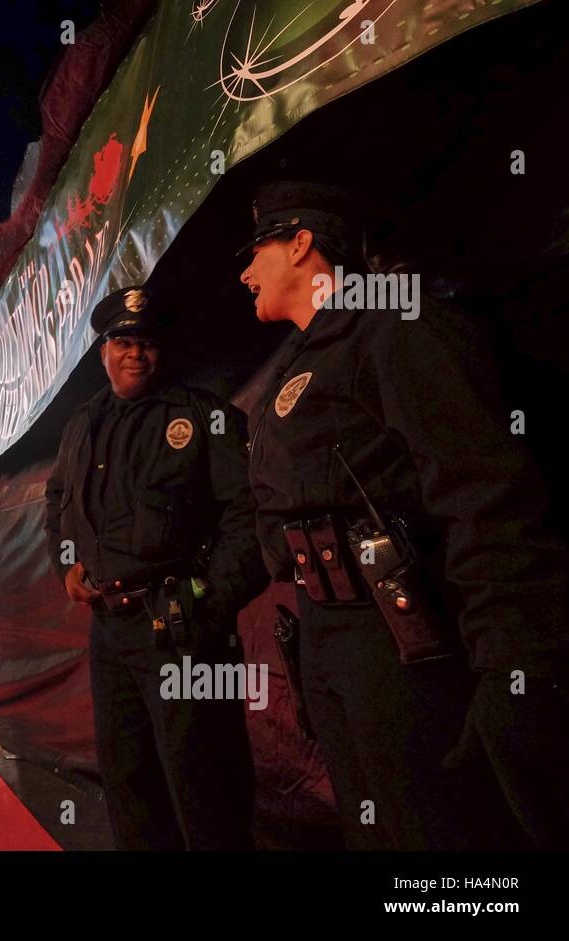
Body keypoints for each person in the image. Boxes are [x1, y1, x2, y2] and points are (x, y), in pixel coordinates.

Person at [238, 180, 569, 849]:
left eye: (258, 251)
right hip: (327, 641)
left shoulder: (394, 326)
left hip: (405, 643)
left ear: (302, 243)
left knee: (438, 841)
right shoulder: (288, 373)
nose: (245, 272)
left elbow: (484, 494)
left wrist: (519, 660)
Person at [44, 285, 267, 851]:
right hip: (110, 633)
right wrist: (66, 565)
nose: (135, 353)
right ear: (103, 351)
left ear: (160, 350)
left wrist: (211, 605)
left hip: (183, 632)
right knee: (129, 784)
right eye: (122, 341)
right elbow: (58, 503)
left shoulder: (205, 417)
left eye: (145, 342)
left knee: (207, 787)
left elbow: (252, 515)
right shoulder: (81, 425)